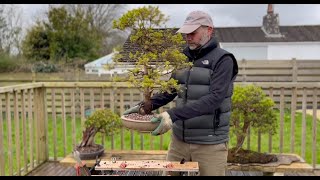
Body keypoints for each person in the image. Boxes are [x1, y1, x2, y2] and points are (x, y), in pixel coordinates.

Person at [123, 10, 238, 176]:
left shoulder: (223, 60)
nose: (188, 37)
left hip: (209, 143)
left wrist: (172, 115)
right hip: (179, 140)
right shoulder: (182, 57)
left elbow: (214, 99)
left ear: (209, 30)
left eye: (193, 32)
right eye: (186, 33)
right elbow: (172, 89)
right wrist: (147, 105)